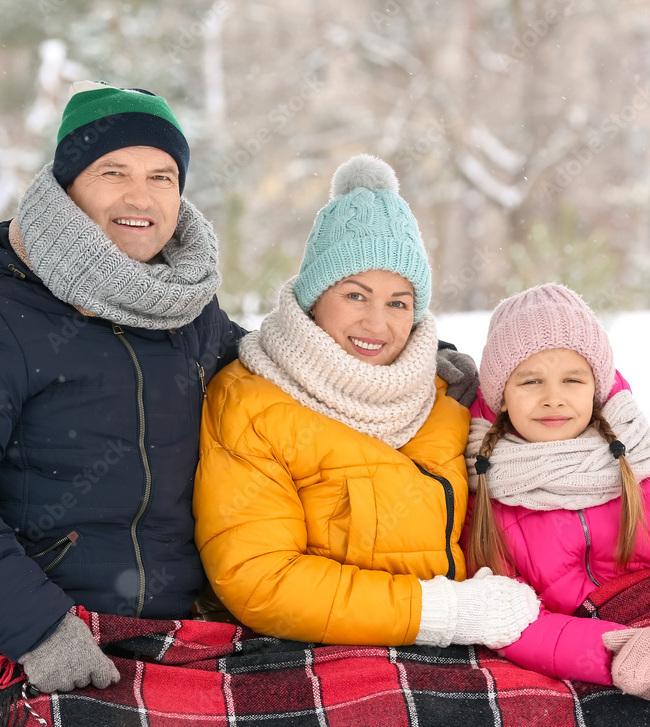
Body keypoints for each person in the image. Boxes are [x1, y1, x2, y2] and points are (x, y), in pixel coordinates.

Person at [0, 81, 245, 719]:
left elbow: (283, 367)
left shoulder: (187, 314)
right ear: (66, 188)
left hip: (171, 646)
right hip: (7, 652)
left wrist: (408, 355)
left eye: (162, 175)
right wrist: (39, 627)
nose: (141, 196)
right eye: (113, 172)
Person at [193, 154, 540, 649]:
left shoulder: (446, 399)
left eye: (398, 302)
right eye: (356, 295)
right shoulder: (249, 402)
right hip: (310, 651)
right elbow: (262, 579)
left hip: (451, 646)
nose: (378, 324)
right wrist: (443, 612)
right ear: (315, 296)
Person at [465, 283, 650, 704]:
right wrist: (615, 653)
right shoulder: (486, 497)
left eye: (572, 379)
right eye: (530, 381)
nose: (553, 398)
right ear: (502, 396)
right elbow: (510, 617)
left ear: (596, 387)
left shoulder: (648, 472)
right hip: (574, 660)